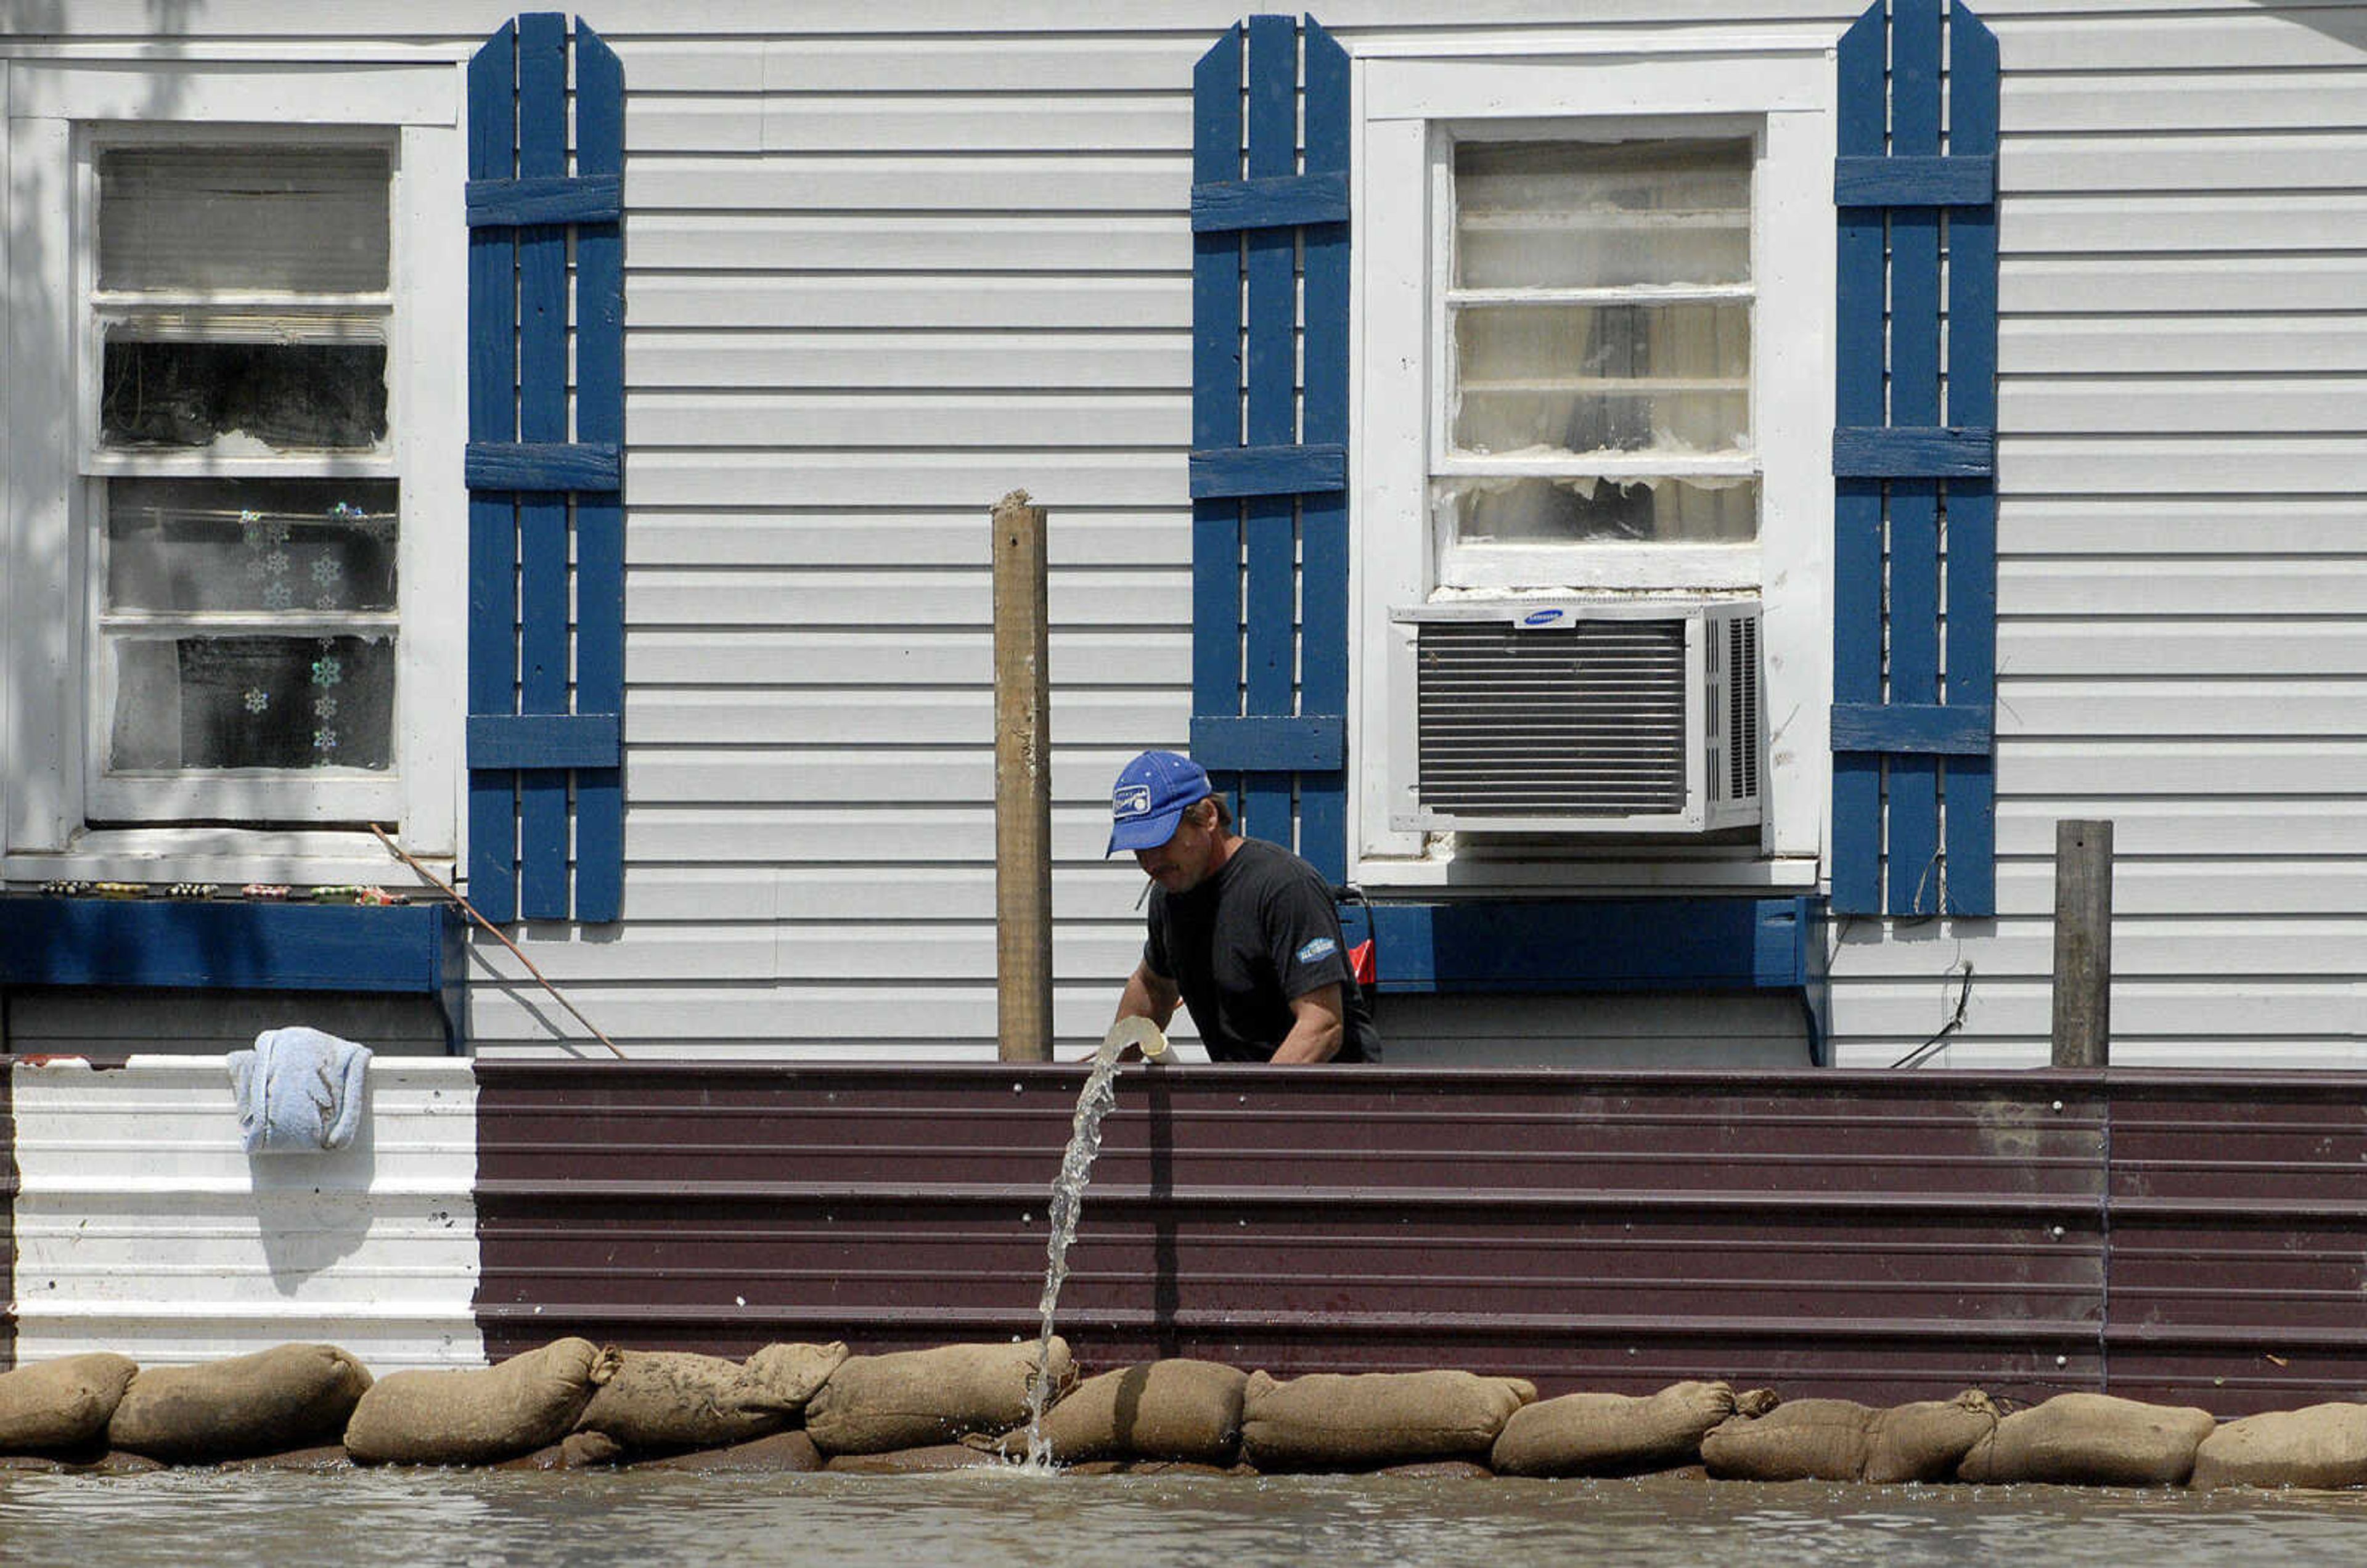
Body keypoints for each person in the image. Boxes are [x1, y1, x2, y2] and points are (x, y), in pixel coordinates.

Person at [1106, 749, 1378, 1063]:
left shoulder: (1284, 887)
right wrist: (1106, 1081)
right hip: (1246, 1097)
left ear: (1208, 816)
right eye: (1139, 850)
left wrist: (1252, 1104)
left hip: (1332, 1100)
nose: (1150, 862)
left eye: (1160, 842)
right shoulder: (1169, 896)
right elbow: (1152, 987)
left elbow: (1322, 1026)